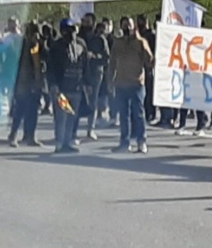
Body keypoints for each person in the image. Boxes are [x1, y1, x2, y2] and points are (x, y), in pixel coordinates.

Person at [108, 16, 153, 154]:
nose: (127, 27)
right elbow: (112, 63)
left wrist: (142, 44)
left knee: (138, 114)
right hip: (121, 83)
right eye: (124, 25)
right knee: (124, 115)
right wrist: (110, 81)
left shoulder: (140, 42)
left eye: (129, 25)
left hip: (136, 84)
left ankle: (141, 141)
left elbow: (149, 61)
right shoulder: (118, 43)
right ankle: (124, 142)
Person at [47, 18, 88, 153]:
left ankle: (68, 142)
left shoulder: (81, 44)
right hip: (62, 87)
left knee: (72, 116)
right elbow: (51, 68)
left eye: (73, 30)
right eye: (67, 30)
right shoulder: (56, 47)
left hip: (76, 86)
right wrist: (53, 84)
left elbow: (85, 64)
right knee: (61, 117)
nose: (71, 33)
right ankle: (59, 143)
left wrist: (86, 83)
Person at [8, 22, 44, 148]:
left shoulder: (20, 44)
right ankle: (26, 136)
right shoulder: (33, 45)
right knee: (29, 111)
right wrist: (39, 80)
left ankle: (19, 136)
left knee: (21, 110)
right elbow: (37, 64)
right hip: (29, 82)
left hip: (20, 81)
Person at [78, 12, 110, 141]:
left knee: (92, 101)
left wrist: (94, 57)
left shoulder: (99, 39)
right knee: (77, 100)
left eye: (88, 21)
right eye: (84, 21)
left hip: (95, 72)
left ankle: (90, 129)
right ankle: (71, 130)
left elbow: (106, 58)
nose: (85, 24)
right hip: (79, 72)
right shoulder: (78, 38)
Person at [136, 14, 160, 125]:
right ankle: (145, 112)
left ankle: (151, 113)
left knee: (150, 91)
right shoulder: (138, 36)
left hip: (149, 66)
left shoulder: (150, 36)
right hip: (139, 65)